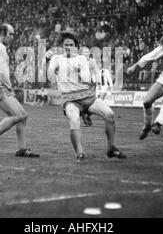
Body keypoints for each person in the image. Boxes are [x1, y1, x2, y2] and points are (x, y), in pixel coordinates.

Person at [46, 32, 126, 162]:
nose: (68, 47)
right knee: (74, 120)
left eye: (71, 44)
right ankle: (80, 153)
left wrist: (85, 68)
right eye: (66, 44)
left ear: (76, 46)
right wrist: (47, 62)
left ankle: (111, 148)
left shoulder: (82, 59)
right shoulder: (56, 58)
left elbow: (87, 79)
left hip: (88, 97)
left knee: (109, 114)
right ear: (62, 46)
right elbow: (50, 77)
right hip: (70, 99)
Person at [0, 24, 39, 158]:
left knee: (22, 115)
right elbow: (3, 72)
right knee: (18, 115)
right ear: (3, 32)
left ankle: (22, 149)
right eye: (11, 34)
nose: (12, 37)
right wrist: (9, 88)